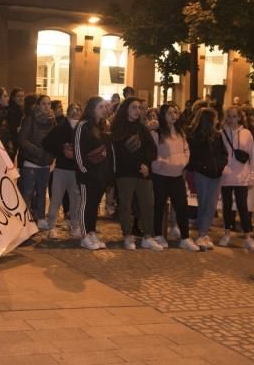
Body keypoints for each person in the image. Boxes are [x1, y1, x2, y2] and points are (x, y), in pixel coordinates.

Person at [111, 97, 164, 251]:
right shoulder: (118, 128)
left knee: (147, 204)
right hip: (125, 173)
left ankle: (148, 236)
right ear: (126, 109)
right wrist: (138, 165)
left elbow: (151, 149)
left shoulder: (141, 128)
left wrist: (146, 164)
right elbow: (120, 153)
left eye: (139, 108)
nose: (138, 111)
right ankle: (127, 235)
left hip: (143, 173)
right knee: (126, 206)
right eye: (134, 107)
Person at [151, 104, 199, 251]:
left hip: (177, 175)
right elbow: (152, 154)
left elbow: (186, 151)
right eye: (170, 112)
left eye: (175, 112)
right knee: (159, 206)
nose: (173, 115)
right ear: (163, 115)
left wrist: (181, 163)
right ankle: (158, 235)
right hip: (161, 176)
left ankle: (185, 237)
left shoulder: (180, 133)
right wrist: (163, 163)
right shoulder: (157, 133)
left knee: (181, 207)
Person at [74, 96, 115, 250]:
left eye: (106, 107)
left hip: (100, 175)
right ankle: (84, 235)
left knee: (94, 205)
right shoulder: (83, 126)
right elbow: (78, 150)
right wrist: (84, 171)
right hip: (87, 175)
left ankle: (91, 232)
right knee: (86, 204)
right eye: (101, 107)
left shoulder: (101, 126)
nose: (105, 109)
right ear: (92, 109)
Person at [218, 106, 254, 252]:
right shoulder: (221, 133)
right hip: (226, 176)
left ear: (239, 118)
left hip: (242, 176)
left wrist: (252, 176)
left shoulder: (247, 134)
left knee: (243, 206)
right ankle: (227, 233)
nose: (231, 119)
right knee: (227, 206)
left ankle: (248, 236)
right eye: (229, 116)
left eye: (234, 116)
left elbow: (252, 156)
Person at [186, 107, 227, 250]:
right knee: (203, 203)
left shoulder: (217, 135)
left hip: (217, 174)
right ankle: (201, 234)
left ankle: (203, 233)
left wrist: (221, 165)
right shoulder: (195, 136)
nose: (217, 120)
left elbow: (223, 153)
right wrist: (202, 167)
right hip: (202, 174)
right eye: (215, 118)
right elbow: (193, 156)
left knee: (211, 204)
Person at [43, 102, 83, 238]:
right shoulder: (60, 128)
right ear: (68, 112)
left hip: (76, 170)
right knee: (56, 198)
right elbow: (46, 143)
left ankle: (75, 225)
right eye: (72, 109)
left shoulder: (82, 128)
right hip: (61, 168)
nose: (75, 112)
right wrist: (61, 150)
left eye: (78, 109)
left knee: (75, 200)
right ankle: (51, 226)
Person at [17, 94, 56, 229]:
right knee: (27, 191)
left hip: (45, 161)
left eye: (49, 104)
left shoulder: (52, 120)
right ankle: (24, 218)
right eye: (44, 104)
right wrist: (37, 151)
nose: (47, 106)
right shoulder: (30, 119)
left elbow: (53, 139)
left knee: (42, 191)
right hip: (31, 161)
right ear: (38, 105)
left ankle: (41, 218)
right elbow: (22, 139)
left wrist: (51, 153)